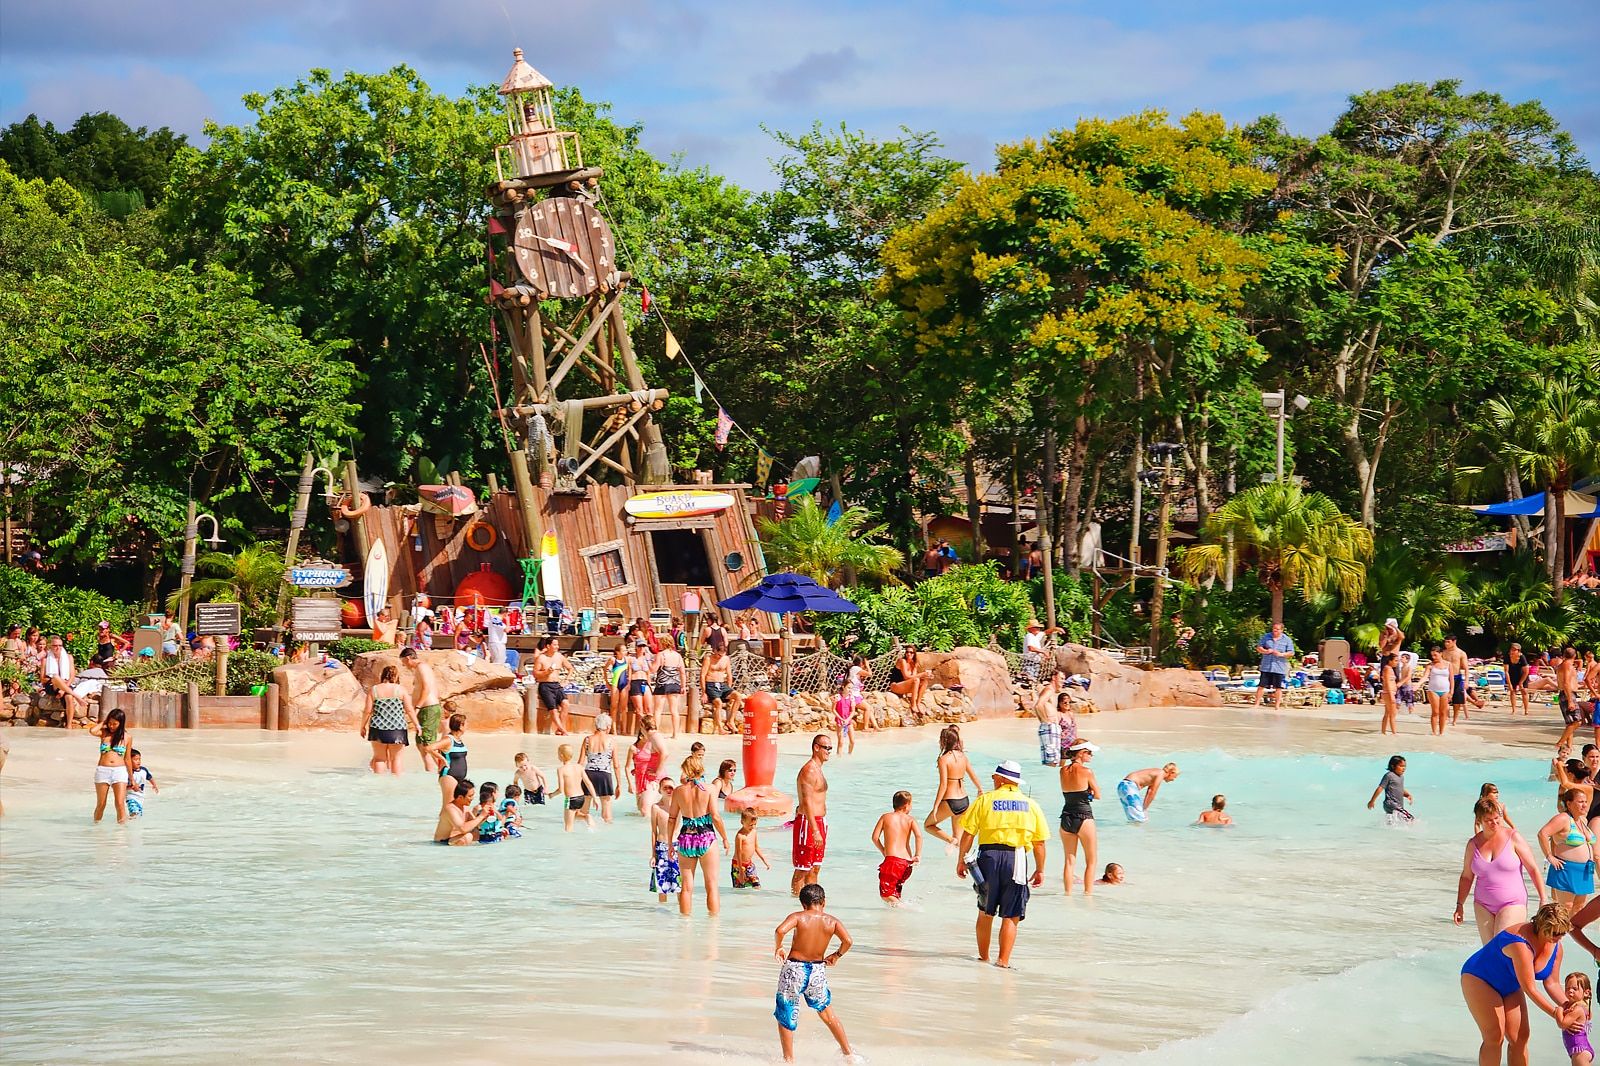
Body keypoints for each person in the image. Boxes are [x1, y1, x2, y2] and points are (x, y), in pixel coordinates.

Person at [956, 761, 1048, 968]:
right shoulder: (1031, 804)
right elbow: (1039, 843)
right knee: (1012, 913)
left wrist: (961, 860)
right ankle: (1003, 962)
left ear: (1002, 779)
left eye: (994, 777)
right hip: (1016, 858)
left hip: (987, 856)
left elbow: (968, 834)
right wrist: (1040, 869)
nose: (992, 780)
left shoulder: (985, 800)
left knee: (985, 910)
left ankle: (983, 958)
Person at [1459, 902, 1575, 1066]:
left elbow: (1552, 983)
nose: (1559, 937)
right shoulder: (1520, 943)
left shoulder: (1556, 945)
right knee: (1494, 1035)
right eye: (1556, 933)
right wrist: (1556, 1014)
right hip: (1480, 978)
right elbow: (1530, 988)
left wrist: (1571, 1006)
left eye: (1563, 933)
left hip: (1510, 984)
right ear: (1541, 927)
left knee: (1520, 1037)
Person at [772, 883, 854, 1063]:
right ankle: (849, 1054)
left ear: (803, 904)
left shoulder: (798, 917)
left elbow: (780, 930)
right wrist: (836, 955)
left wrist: (778, 947)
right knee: (826, 1012)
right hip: (817, 970)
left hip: (794, 969)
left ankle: (789, 1060)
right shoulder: (832, 921)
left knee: (786, 1013)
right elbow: (848, 941)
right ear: (823, 902)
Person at [1457, 796, 1548, 944]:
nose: (1494, 823)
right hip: (1482, 904)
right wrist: (1459, 905)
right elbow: (1467, 877)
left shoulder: (1513, 837)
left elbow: (1533, 869)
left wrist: (1543, 898)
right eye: (1488, 820)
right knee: (1489, 952)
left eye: (1497, 818)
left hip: (1512, 902)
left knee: (1504, 946)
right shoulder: (1473, 844)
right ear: (1479, 821)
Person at [668, 753, 728, 916]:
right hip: (706, 837)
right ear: (701, 769)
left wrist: (669, 844)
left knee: (686, 887)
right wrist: (724, 837)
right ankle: (713, 927)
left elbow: (672, 818)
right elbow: (715, 816)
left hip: (686, 838)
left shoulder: (679, 791)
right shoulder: (710, 789)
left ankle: (685, 926)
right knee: (711, 884)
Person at [1056, 739, 1102, 893]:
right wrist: (1088, 794)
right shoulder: (1087, 771)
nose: (1092, 756)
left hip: (1066, 816)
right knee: (1091, 860)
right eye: (1089, 753)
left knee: (1069, 861)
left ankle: (1067, 894)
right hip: (1084, 816)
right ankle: (1088, 895)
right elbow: (1098, 795)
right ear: (1081, 753)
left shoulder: (1062, 771)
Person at [924, 725, 983, 845]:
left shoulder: (943, 759)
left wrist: (936, 806)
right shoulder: (963, 756)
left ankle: (951, 840)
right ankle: (960, 861)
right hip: (964, 801)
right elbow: (973, 775)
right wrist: (980, 789)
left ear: (944, 741)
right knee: (959, 840)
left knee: (928, 825)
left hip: (950, 801)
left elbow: (943, 785)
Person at [1541, 790, 1597, 912]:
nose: (1585, 805)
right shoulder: (1563, 818)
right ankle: (1559, 931)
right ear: (1569, 803)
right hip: (1566, 869)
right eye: (1580, 802)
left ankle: (1571, 932)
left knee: (1579, 908)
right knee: (1564, 908)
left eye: (1586, 802)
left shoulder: (1582, 821)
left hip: (1585, 870)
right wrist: (1549, 856)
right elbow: (1543, 834)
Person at [792, 734, 832, 895]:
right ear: (816, 747)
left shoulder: (818, 770)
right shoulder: (809, 770)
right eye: (826, 748)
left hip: (819, 821)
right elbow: (807, 801)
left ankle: (811, 903)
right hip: (809, 823)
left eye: (830, 748)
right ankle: (795, 902)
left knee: (815, 868)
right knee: (802, 869)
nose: (829, 751)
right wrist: (814, 830)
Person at [360, 665, 418, 775]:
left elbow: (367, 711)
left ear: (382, 675)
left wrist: (362, 727)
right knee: (396, 759)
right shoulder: (400, 690)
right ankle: (395, 785)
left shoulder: (374, 689)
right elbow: (409, 710)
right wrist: (417, 725)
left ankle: (379, 784)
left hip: (378, 728)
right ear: (395, 676)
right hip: (397, 728)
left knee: (379, 758)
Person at [871, 790, 922, 905]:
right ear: (906, 805)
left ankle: (905, 909)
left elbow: (875, 837)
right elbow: (918, 836)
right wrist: (917, 854)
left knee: (886, 895)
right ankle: (895, 920)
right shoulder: (910, 820)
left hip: (893, 862)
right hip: (906, 864)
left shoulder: (885, 817)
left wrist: (884, 851)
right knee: (894, 894)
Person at [399, 648, 444, 772]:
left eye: (403, 662)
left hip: (428, 708)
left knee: (429, 743)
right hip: (426, 709)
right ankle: (430, 771)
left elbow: (426, 688)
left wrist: (417, 707)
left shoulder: (422, 667)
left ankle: (445, 769)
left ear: (408, 658)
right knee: (421, 743)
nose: (404, 665)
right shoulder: (419, 668)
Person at [88, 708, 133, 823]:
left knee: (119, 803)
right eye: (110, 723)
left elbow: (127, 759)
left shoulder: (127, 737)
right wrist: (103, 723)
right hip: (103, 771)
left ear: (121, 723)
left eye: (115, 724)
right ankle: (96, 829)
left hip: (120, 771)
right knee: (101, 804)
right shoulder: (104, 733)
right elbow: (92, 731)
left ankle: (121, 834)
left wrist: (131, 778)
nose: (112, 726)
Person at [579, 713, 620, 823]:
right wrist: (619, 784)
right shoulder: (612, 741)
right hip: (604, 775)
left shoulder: (587, 740)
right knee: (607, 813)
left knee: (583, 810)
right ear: (607, 727)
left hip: (588, 774)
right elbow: (616, 765)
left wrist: (576, 780)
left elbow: (580, 763)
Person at [624, 715, 666, 816]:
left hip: (652, 779)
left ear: (643, 726)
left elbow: (664, 753)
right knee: (642, 810)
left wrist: (657, 772)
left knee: (645, 810)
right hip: (641, 779)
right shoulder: (636, 746)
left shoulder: (654, 738)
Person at [39, 635, 84, 728]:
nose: (58, 648)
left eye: (60, 645)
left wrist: (63, 689)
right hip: (52, 685)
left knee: (69, 697)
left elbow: (72, 676)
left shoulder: (69, 657)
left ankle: (69, 725)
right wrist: (55, 680)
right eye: (55, 645)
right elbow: (42, 679)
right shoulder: (46, 660)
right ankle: (78, 697)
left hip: (66, 685)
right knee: (55, 676)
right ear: (50, 646)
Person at [531, 636, 572, 736]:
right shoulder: (541, 658)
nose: (557, 647)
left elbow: (570, 668)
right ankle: (563, 730)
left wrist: (566, 680)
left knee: (566, 704)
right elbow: (535, 674)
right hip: (545, 685)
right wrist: (546, 672)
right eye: (554, 645)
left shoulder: (559, 656)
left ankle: (560, 729)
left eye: (557, 645)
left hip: (556, 684)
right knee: (553, 709)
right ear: (548, 646)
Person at [649, 778, 681, 902]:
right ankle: (662, 915)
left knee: (680, 885)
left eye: (671, 788)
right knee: (662, 887)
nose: (668, 790)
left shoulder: (679, 806)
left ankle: (682, 916)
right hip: (661, 848)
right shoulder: (656, 808)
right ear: (660, 790)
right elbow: (653, 831)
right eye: (665, 788)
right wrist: (653, 855)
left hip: (677, 847)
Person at [427, 713, 471, 803]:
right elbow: (429, 748)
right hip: (449, 775)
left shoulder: (458, 740)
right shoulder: (448, 740)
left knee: (457, 804)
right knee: (449, 803)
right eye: (466, 724)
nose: (467, 726)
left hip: (460, 777)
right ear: (460, 726)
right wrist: (442, 759)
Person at [434, 779, 491, 845]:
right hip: (443, 843)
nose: (472, 798)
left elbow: (477, 825)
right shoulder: (450, 809)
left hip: (456, 840)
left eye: (473, 795)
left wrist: (485, 815)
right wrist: (481, 816)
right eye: (470, 796)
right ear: (460, 797)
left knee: (477, 832)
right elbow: (463, 828)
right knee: (468, 836)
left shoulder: (465, 807)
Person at [1253, 621, 1295, 709]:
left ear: (1282, 630)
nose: (1275, 631)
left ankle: (1277, 705)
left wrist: (1281, 654)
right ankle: (1256, 704)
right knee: (1261, 686)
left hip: (1279, 666)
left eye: (1277, 629)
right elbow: (1259, 647)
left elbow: (1291, 652)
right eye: (1274, 629)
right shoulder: (1266, 636)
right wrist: (1265, 651)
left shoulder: (1287, 639)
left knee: (1278, 687)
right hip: (1266, 666)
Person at [555, 744, 596, 831]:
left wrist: (551, 794)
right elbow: (588, 783)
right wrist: (595, 798)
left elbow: (560, 790)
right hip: (581, 797)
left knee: (568, 827)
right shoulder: (579, 767)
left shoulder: (561, 770)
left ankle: (568, 842)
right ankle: (586, 816)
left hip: (571, 799)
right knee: (575, 815)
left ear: (561, 756)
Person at [651, 641, 685, 739]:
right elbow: (682, 672)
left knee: (658, 710)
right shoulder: (678, 656)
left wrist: (649, 664)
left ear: (664, 643)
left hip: (662, 683)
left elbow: (654, 669)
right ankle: (675, 734)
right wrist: (683, 686)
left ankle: (655, 733)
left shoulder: (661, 655)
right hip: (675, 684)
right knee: (674, 710)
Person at [1376, 617, 1405, 734]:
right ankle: (1387, 696)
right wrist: (1386, 634)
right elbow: (1382, 646)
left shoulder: (1398, 637)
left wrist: (1395, 629)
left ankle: (1394, 697)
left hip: (1394, 659)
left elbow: (1402, 637)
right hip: (1386, 659)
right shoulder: (1384, 635)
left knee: (1396, 681)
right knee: (1386, 679)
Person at [1368, 754, 1414, 824]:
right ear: (1393, 766)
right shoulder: (1389, 775)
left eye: (1404, 766)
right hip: (1391, 804)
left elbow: (1399, 789)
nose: (1403, 768)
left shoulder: (1401, 777)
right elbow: (1380, 788)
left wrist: (1407, 795)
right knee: (1410, 819)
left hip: (1397, 805)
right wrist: (1372, 801)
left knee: (1392, 823)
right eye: (1401, 766)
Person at [702, 644, 738, 735]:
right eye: (718, 655)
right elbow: (703, 675)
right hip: (711, 684)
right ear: (715, 651)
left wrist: (729, 688)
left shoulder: (726, 659)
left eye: (722, 655)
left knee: (738, 696)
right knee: (718, 703)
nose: (719, 657)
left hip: (722, 684)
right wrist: (704, 692)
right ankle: (720, 728)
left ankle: (731, 721)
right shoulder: (708, 659)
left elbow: (729, 675)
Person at [732, 808, 771, 889]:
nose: (753, 827)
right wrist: (741, 872)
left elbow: (756, 847)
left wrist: (765, 861)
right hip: (738, 865)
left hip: (749, 864)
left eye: (754, 824)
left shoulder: (754, 832)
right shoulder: (740, 836)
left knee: (757, 885)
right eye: (750, 825)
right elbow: (738, 854)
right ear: (742, 822)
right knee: (740, 888)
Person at [1561, 971, 1594, 1066]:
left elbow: (1562, 1024)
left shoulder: (1578, 1009)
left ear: (1586, 993)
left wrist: (1558, 1011)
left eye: (1575, 989)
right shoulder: (1579, 1006)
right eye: (1567, 988)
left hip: (1580, 1050)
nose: (1570, 991)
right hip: (1580, 1049)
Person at [888, 645, 929, 715]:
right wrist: (922, 674)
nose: (909, 654)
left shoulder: (914, 663)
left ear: (914, 654)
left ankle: (918, 703)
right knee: (916, 680)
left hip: (904, 686)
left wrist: (926, 675)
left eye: (911, 652)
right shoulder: (902, 661)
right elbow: (906, 677)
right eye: (907, 652)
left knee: (924, 681)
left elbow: (914, 676)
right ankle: (913, 704)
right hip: (895, 686)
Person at [1035, 673, 1064, 767]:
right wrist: (1046, 722)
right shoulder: (1049, 689)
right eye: (1061, 678)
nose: (1063, 681)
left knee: (1053, 760)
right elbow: (1038, 705)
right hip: (1050, 728)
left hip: (1050, 728)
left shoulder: (1050, 691)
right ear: (1054, 677)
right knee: (1051, 761)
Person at [1423, 646, 1452, 736]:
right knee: (1435, 712)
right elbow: (1425, 677)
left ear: (1441, 654)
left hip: (1445, 690)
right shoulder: (1430, 665)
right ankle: (1434, 731)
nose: (1433, 657)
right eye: (1432, 655)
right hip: (1433, 690)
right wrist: (1417, 684)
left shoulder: (1448, 664)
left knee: (1443, 712)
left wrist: (1452, 691)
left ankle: (1441, 732)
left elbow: (1451, 679)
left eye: (1435, 655)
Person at [626, 640, 654, 729]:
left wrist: (649, 685)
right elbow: (629, 672)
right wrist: (628, 684)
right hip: (635, 681)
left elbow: (649, 673)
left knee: (649, 709)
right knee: (639, 709)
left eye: (643, 646)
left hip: (644, 682)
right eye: (640, 646)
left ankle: (650, 728)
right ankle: (642, 729)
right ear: (636, 647)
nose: (642, 648)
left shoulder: (647, 658)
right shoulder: (631, 658)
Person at [123, 748, 159, 818]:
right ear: (128, 761)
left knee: (138, 814)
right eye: (135, 760)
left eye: (139, 759)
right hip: (131, 797)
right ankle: (127, 825)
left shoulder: (143, 770)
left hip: (141, 797)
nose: (138, 761)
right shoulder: (127, 773)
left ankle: (129, 824)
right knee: (134, 813)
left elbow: (149, 777)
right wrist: (131, 787)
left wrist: (154, 785)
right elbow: (122, 787)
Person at [1507, 643, 1533, 718]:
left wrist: (1521, 682)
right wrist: (1509, 683)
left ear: (1518, 651)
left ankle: (1526, 710)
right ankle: (1513, 709)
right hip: (1512, 674)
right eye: (1512, 649)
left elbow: (1526, 671)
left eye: (1514, 650)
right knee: (1512, 691)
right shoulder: (1507, 657)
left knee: (1524, 691)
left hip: (1522, 675)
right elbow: (1506, 671)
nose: (1512, 651)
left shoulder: (1522, 657)